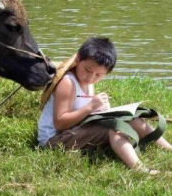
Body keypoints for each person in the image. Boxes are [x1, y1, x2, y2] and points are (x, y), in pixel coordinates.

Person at [37, 37, 172, 174]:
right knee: (114, 127)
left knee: (131, 118)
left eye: (98, 75)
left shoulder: (88, 83)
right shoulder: (68, 83)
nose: (91, 78)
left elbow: (83, 112)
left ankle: (168, 148)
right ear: (77, 58)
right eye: (87, 70)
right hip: (54, 140)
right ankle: (140, 170)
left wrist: (101, 110)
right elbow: (60, 123)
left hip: (73, 130)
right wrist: (90, 107)